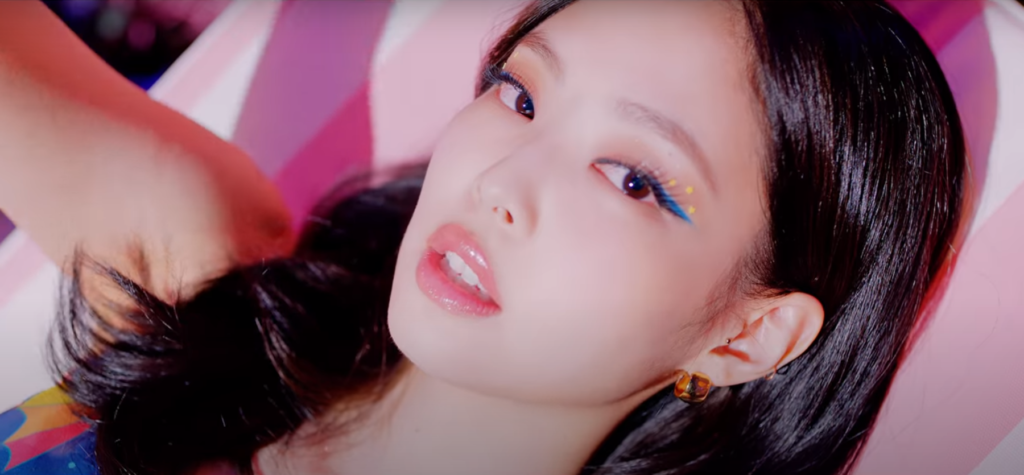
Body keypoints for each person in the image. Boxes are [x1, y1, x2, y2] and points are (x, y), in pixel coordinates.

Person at [0, 1, 967, 474]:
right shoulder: (190, 267)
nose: (501, 181)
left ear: (746, 336)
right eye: (521, 94)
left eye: (633, 178)